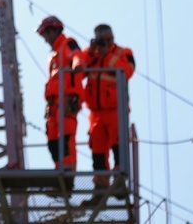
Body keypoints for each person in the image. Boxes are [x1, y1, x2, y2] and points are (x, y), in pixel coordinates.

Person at [81, 23, 135, 203]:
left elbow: (127, 71)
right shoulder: (91, 55)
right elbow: (79, 69)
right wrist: (91, 52)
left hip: (115, 110)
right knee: (97, 151)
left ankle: (120, 184)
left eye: (106, 38)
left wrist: (107, 54)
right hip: (95, 113)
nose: (103, 41)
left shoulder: (122, 52)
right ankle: (100, 188)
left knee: (118, 146)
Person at [37, 16, 86, 171]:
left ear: (54, 30)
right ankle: (60, 171)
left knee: (66, 137)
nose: (45, 39)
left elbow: (77, 55)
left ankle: (68, 174)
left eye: (46, 34)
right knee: (53, 142)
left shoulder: (67, 43)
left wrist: (78, 64)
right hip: (53, 105)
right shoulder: (53, 56)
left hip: (67, 100)